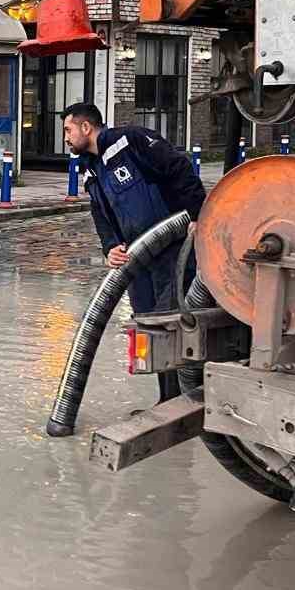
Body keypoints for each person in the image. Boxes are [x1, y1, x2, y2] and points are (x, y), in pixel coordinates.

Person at [61, 102, 206, 407]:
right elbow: (100, 213)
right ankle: (167, 400)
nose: (65, 137)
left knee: (170, 323)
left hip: (174, 251)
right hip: (138, 261)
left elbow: (179, 168)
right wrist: (109, 246)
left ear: (86, 127)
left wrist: (197, 213)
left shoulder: (132, 141)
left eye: (68, 130)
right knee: (147, 326)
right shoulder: (91, 169)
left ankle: (190, 399)